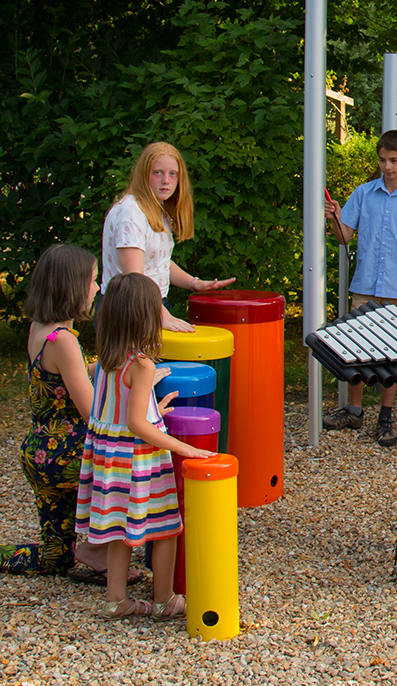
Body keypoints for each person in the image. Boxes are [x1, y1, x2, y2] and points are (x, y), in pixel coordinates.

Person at [74, 273, 213, 618]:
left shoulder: (107, 361)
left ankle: (116, 600)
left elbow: (117, 409)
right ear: (146, 318)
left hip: (109, 460)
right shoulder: (141, 365)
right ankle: (164, 600)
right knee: (167, 528)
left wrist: (155, 408)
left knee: (119, 531)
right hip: (138, 460)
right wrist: (183, 448)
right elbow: (136, 423)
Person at [1, 244, 134, 582]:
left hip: (39, 453)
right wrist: (145, 408)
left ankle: (81, 549)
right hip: (67, 456)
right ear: (72, 286)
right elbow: (95, 416)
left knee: (54, 559)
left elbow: (61, 376)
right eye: (92, 280)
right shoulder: (64, 340)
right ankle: (100, 548)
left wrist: (106, 366)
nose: (97, 288)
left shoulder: (40, 329)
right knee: (129, 465)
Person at [323, 130, 397, 445]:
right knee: (357, 350)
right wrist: (333, 217)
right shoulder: (363, 193)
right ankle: (355, 410)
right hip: (365, 285)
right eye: (383, 160)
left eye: (393, 161)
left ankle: (386, 416)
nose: (387, 166)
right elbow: (344, 237)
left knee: (393, 354)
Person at [101, 141, 234, 333]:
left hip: (152, 306)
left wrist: (194, 283)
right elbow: (135, 280)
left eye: (173, 174)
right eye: (158, 173)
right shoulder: (131, 214)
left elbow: (157, 261)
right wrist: (163, 315)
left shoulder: (156, 208)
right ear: (143, 174)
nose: (166, 180)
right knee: (136, 365)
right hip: (127, 311)